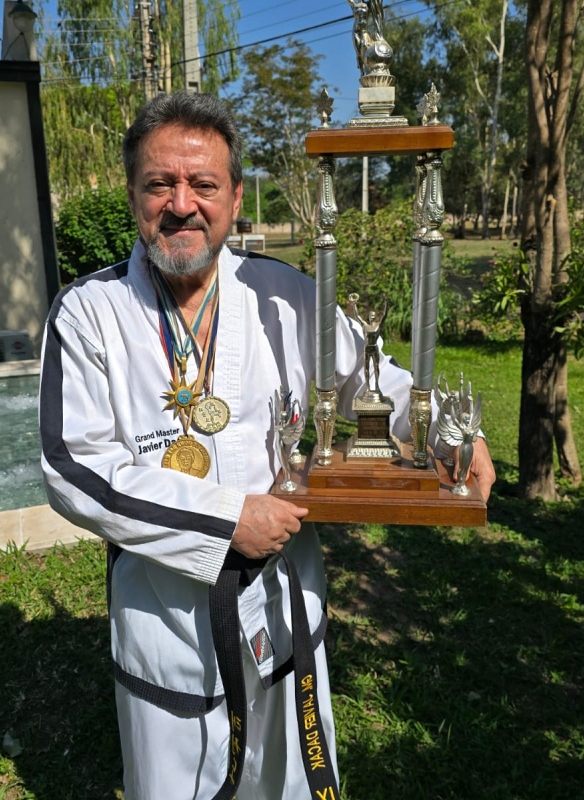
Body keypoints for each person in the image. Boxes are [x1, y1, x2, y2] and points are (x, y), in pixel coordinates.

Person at [39, 91, 495, 800]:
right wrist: (227, 520)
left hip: (284, 596)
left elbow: (375, 382)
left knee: (286, 778)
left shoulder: (282, 292)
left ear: (235, 195)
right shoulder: (91, 314)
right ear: (133, 192)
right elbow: (75, 470)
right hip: (169, 609)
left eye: (204, 184)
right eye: (161, 183)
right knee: (180, 781)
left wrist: (449, 431)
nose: (181, 204)